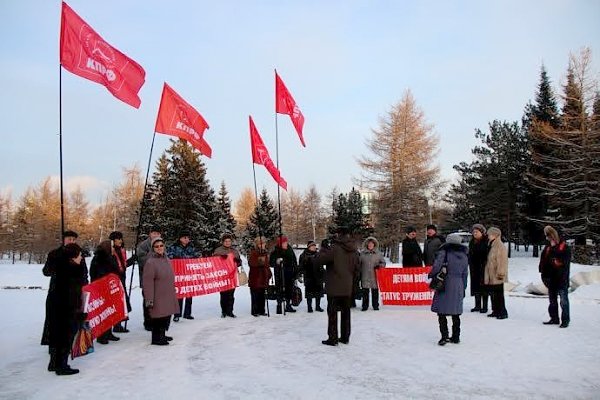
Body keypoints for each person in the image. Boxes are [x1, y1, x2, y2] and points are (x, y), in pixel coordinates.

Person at [41, 231, 88, 358]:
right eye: (69, 239)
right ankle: (54, 351)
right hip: (58, 294)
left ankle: (64, 352)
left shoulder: (78, 253)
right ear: (63, 240)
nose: (71, 241)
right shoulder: (55, 254)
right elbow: (46, 271)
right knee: (55, 324)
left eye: (74, 239)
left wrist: (85, 287)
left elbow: (84, 274)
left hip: (74, 294)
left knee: (70, 325)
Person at [315, 227, 360, 346]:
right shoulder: (354, 249)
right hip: (347, 287)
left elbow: (320, 260)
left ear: (339, 235)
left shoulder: (335, 248)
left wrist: (323, 248)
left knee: (333, 314)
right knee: (346, 313)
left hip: (334, 287)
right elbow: (357, 268)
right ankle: (345, 337)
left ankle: (333, 338)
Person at [429, 233, 469, 345]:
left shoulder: (444, 252)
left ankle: (444, 336)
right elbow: (465, 274)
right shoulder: (464, 255)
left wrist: (430, 275)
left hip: (445, 284)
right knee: (456, 313)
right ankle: (456, 336)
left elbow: (437, 266)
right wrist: (463, 287)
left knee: (442, 312)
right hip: (458, 284)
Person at [142, 237, 179, 345]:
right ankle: (156, 338)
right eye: (156, 246)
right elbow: (147, 282)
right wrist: (149, 299)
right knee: (158, 316)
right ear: (153, 248)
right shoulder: (150, 262)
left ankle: (162, 334)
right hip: (157, 295)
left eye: (161, 246)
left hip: (167, 293)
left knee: (166, 315)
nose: (159, 248)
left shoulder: (166, 259)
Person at [90, 240, 122, 345]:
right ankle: (102, 335)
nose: (114, 249)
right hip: (101, 289)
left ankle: (108, 333)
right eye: (112, 247)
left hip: (110, 288)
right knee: (103, 312)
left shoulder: (111, 257)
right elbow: (97, 274)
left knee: (110, 311)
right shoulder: (98, 259)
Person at [539, 225, 571, 328]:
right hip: (551, 278)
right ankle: (554, 318)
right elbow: (543, 260)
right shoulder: (548, 247)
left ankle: (565, 320)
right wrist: (542, 271)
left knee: (563, 301)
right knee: (552, 300)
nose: (547, 238)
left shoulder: (564, 247)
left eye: (547, 236)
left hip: (561, 278)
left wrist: (557, 262)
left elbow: (564, 263)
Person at [167, 232, 199, 322]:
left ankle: (187, 313)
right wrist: (175, 258)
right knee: (179, 294)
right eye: (185, 237)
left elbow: (196, 257)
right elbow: (168, 256)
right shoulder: (174, 247)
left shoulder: (191, 247)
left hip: (189, 274)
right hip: (178, 274)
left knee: (189, 293)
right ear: (180, 238)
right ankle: (177, 314)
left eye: (188, 238)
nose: (186, 239)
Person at [136, 226, 162, 330]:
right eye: (154, 233)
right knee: (148, 301)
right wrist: (154, 254)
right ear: (150, 234)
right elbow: (142, 260)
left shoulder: (161, 244)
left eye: (158, 233)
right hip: (147, 279)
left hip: (159, 279)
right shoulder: (143, 245)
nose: (155, 235)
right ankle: (148, 322)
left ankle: (157, 321)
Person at [108, 231, 133, 333]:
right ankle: (114, 325)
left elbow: (123, 265)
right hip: (114, 280)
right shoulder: (111, 251)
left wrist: (132, 260)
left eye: (120, 238)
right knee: (115, 302)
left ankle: (118, 324)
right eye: (118, 239)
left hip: (122, 279)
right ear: (113, 240)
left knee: (121, 302)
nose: (120, 241)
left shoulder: (121, 250)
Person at [213, 233, 243, 318]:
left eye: (229, 241)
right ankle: (224, 311)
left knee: (231, 295)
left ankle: (230, 311)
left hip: (232, 276)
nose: (227, 243)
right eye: (226, 241)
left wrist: (237, 261)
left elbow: (239, 263)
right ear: (223, 242)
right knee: (223, 295)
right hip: (222, 276)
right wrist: (220, 258)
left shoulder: (234, 251)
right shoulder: (218, 250)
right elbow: (213, 262)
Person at [484, 227, 509, 320]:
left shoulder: (500, 246)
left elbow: (502, 261)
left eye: (490, 234)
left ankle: (502, 312)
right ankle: (495, 310)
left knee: (499, 294)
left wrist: (501, 273)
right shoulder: (491, 245)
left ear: (495, 235)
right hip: (491, 274)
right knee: (493, 293)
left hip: (497, 275)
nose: (488, 236)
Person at [270, 235, 298, 314]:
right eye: (284, 242)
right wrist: (277, 261)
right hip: (279, 273)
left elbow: (294, 261)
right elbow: (271, 262)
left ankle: (288, 304)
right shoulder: (276, 251)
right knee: (279, 288)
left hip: (289, 272)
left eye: (286, 242)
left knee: (289, 288)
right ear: (280, 243)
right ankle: (279, 304)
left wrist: (296, 271)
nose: (286, 244)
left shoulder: (290, 249)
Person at [359, 236, 386, 311]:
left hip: (375, 276)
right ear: (367, 244)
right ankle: (365, 306)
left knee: (375, 292)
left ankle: (375, 305)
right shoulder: (362, 254)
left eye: (372, 244)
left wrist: (379, 266)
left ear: (374, 245)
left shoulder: (378, 254)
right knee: (365, 292)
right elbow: (358, 264)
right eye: (369, 244)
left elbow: (383, 263)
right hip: (365, 275)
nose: (370, 245)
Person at [247, 236, 272, 316]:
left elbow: (267, 264)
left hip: (264, 276)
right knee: (255, 294)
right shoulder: (254, 252)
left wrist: (269, 272)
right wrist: (260, 261)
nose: (262, 245)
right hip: (256, 276)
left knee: (262, 294)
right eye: (260, 244)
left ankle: (262, 310)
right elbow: (252, 263)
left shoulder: (265, 252)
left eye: (263, 243)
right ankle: (255, 311)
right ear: (257, 244)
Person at [468, 224, 489, 313]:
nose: (475, 233)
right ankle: (477, 305)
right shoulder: (472, 241)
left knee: (484, 287)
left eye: (477, 232)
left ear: (482, 232)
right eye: (473, 232)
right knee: (476, 286)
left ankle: (484, 306)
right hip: (474, 267)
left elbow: (487, 254)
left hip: (483, 267)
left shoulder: (486, 241)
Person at [299, 240, 324, 313]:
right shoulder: (303, 255)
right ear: (309, 247)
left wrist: (322, 273)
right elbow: (301, 266)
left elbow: (321, 264)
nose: (314, 247)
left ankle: (318, 306)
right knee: (309, 293)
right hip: (309, 276)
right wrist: (301, 273)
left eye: (315, 246)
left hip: (318, 276)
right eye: (312, 246)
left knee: (318, 292)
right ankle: (309, 307)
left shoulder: (318, 254)